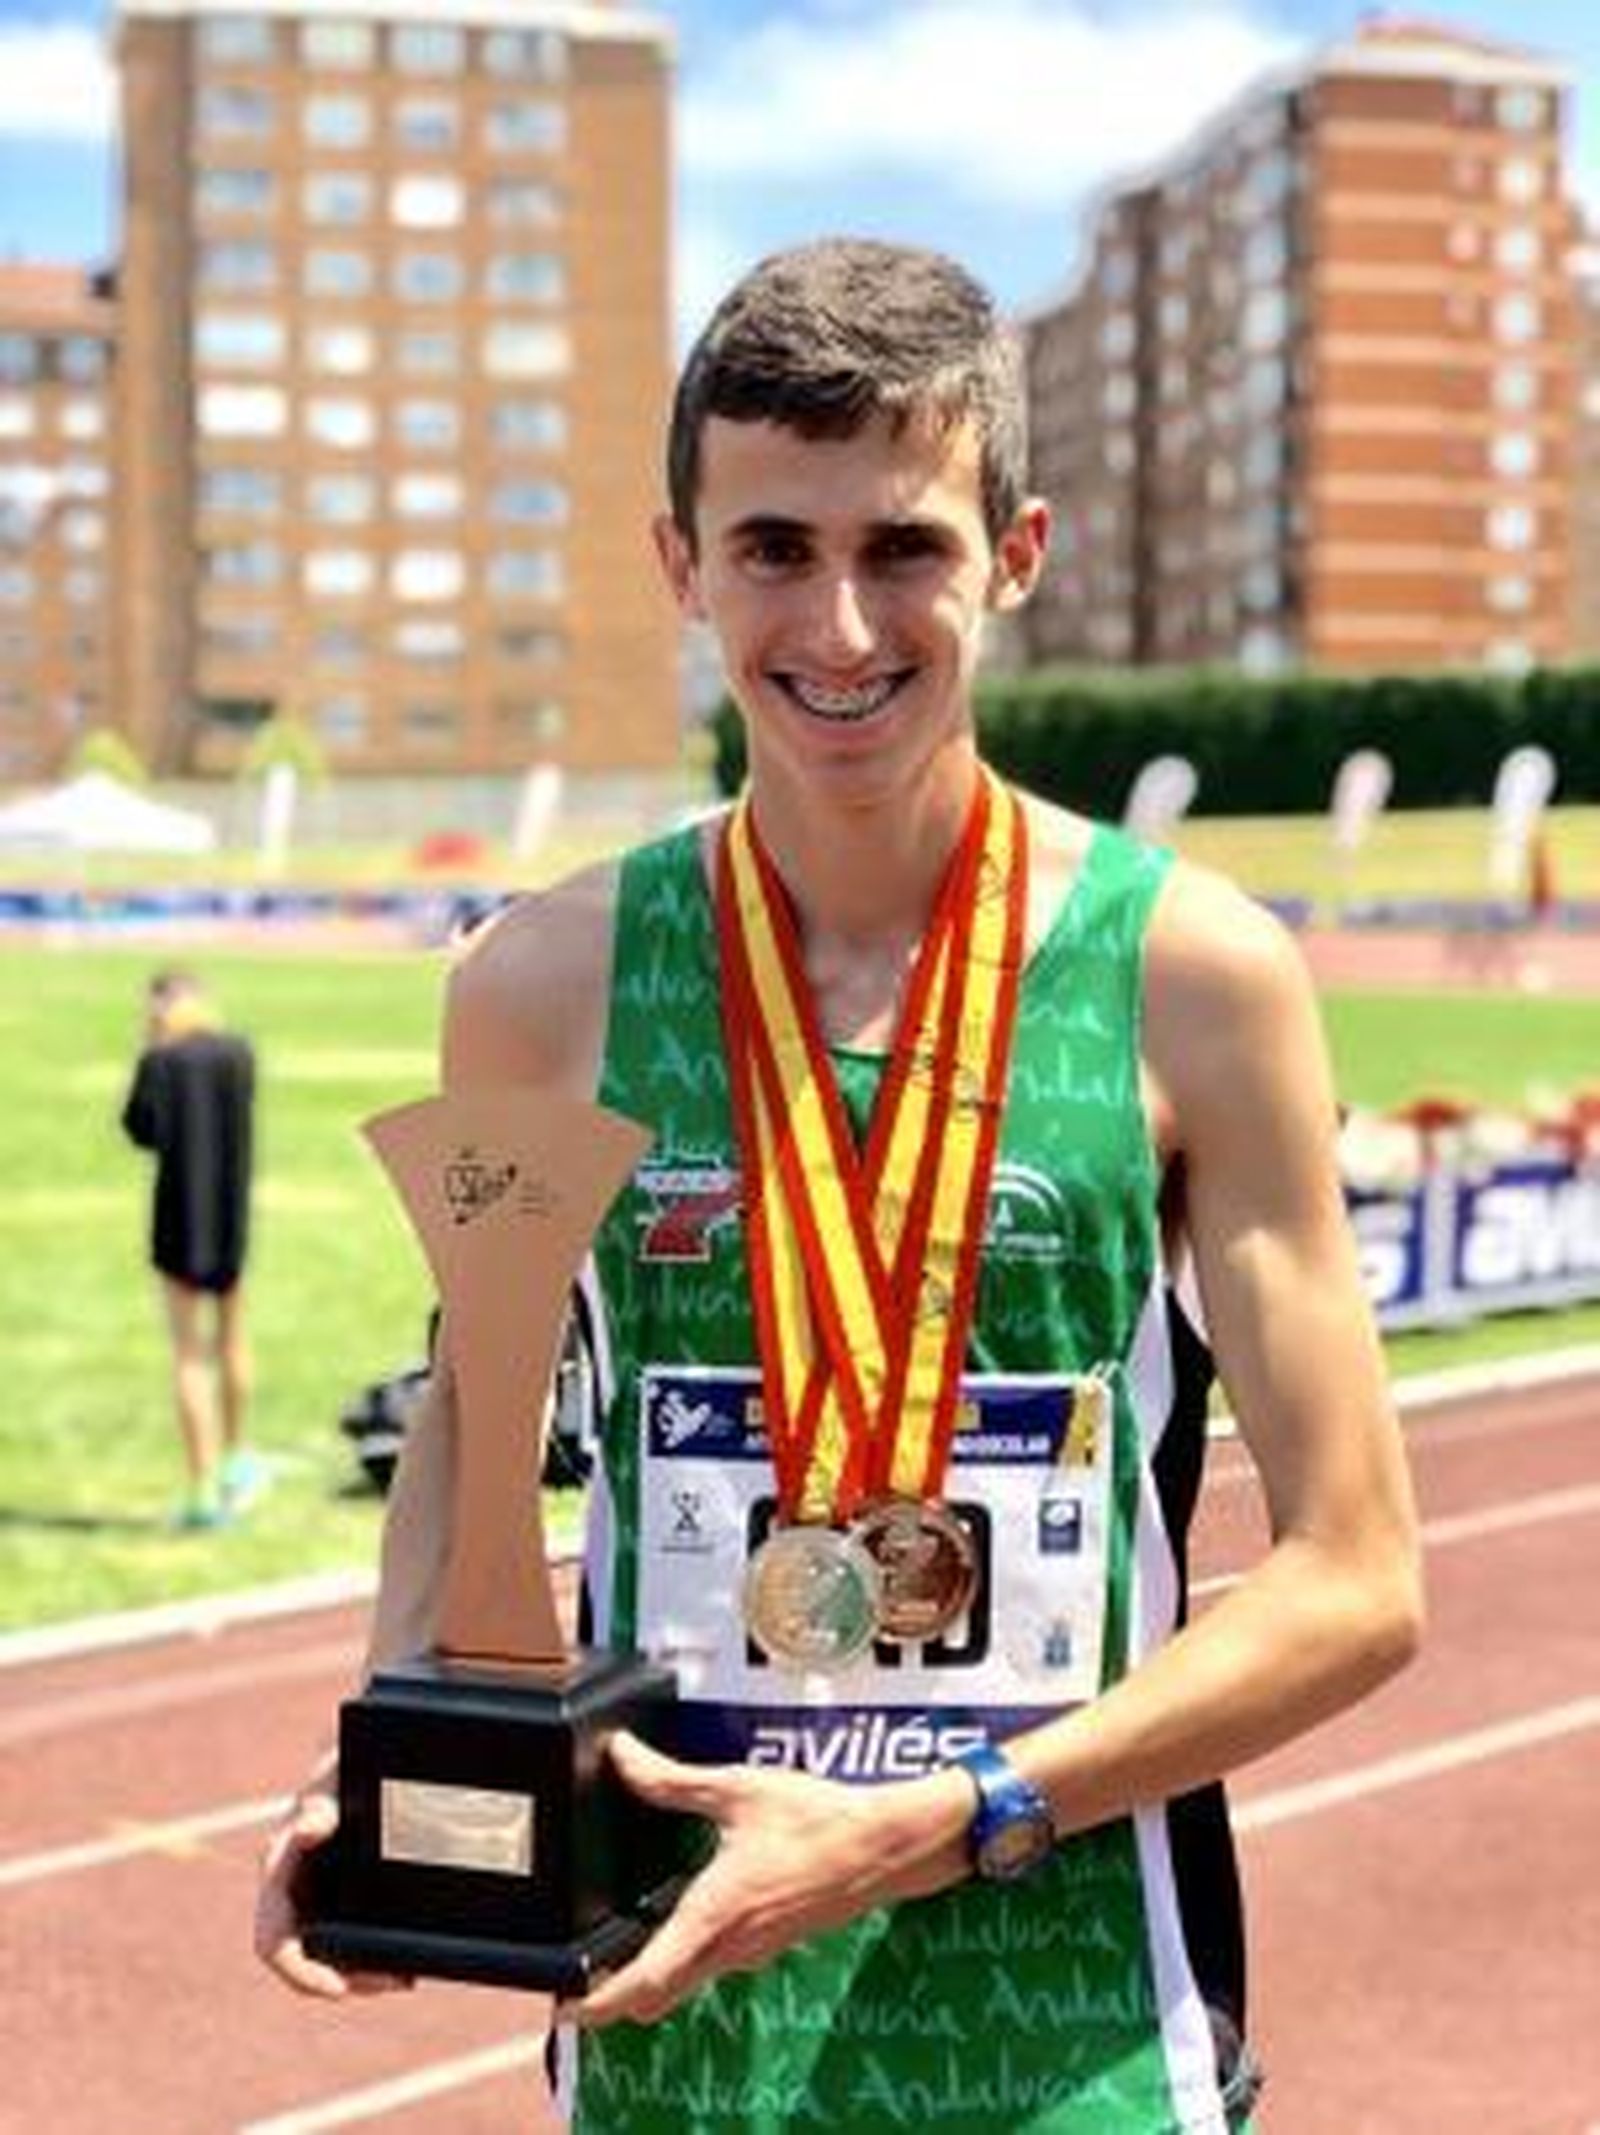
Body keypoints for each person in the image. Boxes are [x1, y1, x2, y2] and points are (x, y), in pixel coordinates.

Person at [257, 238, 1422, 2131]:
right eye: (775, 549)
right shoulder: (538, 987)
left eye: (905, 548)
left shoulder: (1195, 977)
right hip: (671, 2041)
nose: (843, 624)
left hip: (1077, 2049)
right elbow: (476, 1413)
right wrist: (403, 1765)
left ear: (1016, 555)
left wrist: (929, 1824)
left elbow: (1358, 1576)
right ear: (682, 564)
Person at [122, 966, 262, 1529]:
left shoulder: (160, 1061)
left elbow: (139, 1129)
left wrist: (149, 1052)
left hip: (180, 1222)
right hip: (230, 1218)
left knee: (189, 1354)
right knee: (232, 1340)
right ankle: (234, 1459)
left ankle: (203, 1490)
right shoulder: (239, 1052)